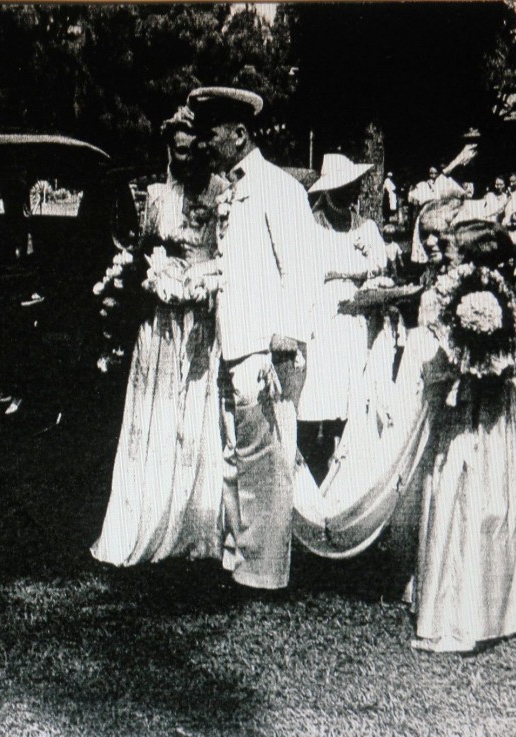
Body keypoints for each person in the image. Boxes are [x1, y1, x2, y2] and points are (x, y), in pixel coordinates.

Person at [293, 220, 516, 653]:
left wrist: (452, 374)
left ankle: (461, 612)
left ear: (470, 257)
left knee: (464, 492)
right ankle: (500, 604)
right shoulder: (480, 291)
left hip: (471, 401)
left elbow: (453, 355)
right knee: (488, 490)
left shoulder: (468, 296)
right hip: (484, 397)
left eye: (450, 249)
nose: (440, 252)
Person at [189, 86, 324, 590]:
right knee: (234, 458)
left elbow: (303, 267)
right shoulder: (230, 190)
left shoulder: (278, 188)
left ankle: (264, 572)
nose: (205, 143)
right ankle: (237, 558)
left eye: (212, 133)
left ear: (239, 134)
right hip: (233, 343)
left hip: (266, 347)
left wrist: (288, 332)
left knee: (266, 462)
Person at [90, 105, 228, 566]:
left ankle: (193, 522)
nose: (183, 159)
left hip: (200, 320)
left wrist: (198, 280)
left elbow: (229, 256)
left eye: (191, 151)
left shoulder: (223, 194)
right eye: (176, 151)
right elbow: (143, 248)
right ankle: (146, 514)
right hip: (162, 321)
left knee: (194, 419)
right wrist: (151, 272)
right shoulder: (157, 196)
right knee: (158, 414)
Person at [298, 153, 388, 482]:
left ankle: (344, 469)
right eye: (342, 190)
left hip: (356, 316)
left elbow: (381, 264)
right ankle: (309, 467)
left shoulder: (365, 227)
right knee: (317, 391)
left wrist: (368, 260)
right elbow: (312, 269)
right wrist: (356, 265)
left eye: (353, 189)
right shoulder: (312, 224)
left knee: (351, 392)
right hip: (323, 316)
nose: (350, 196)